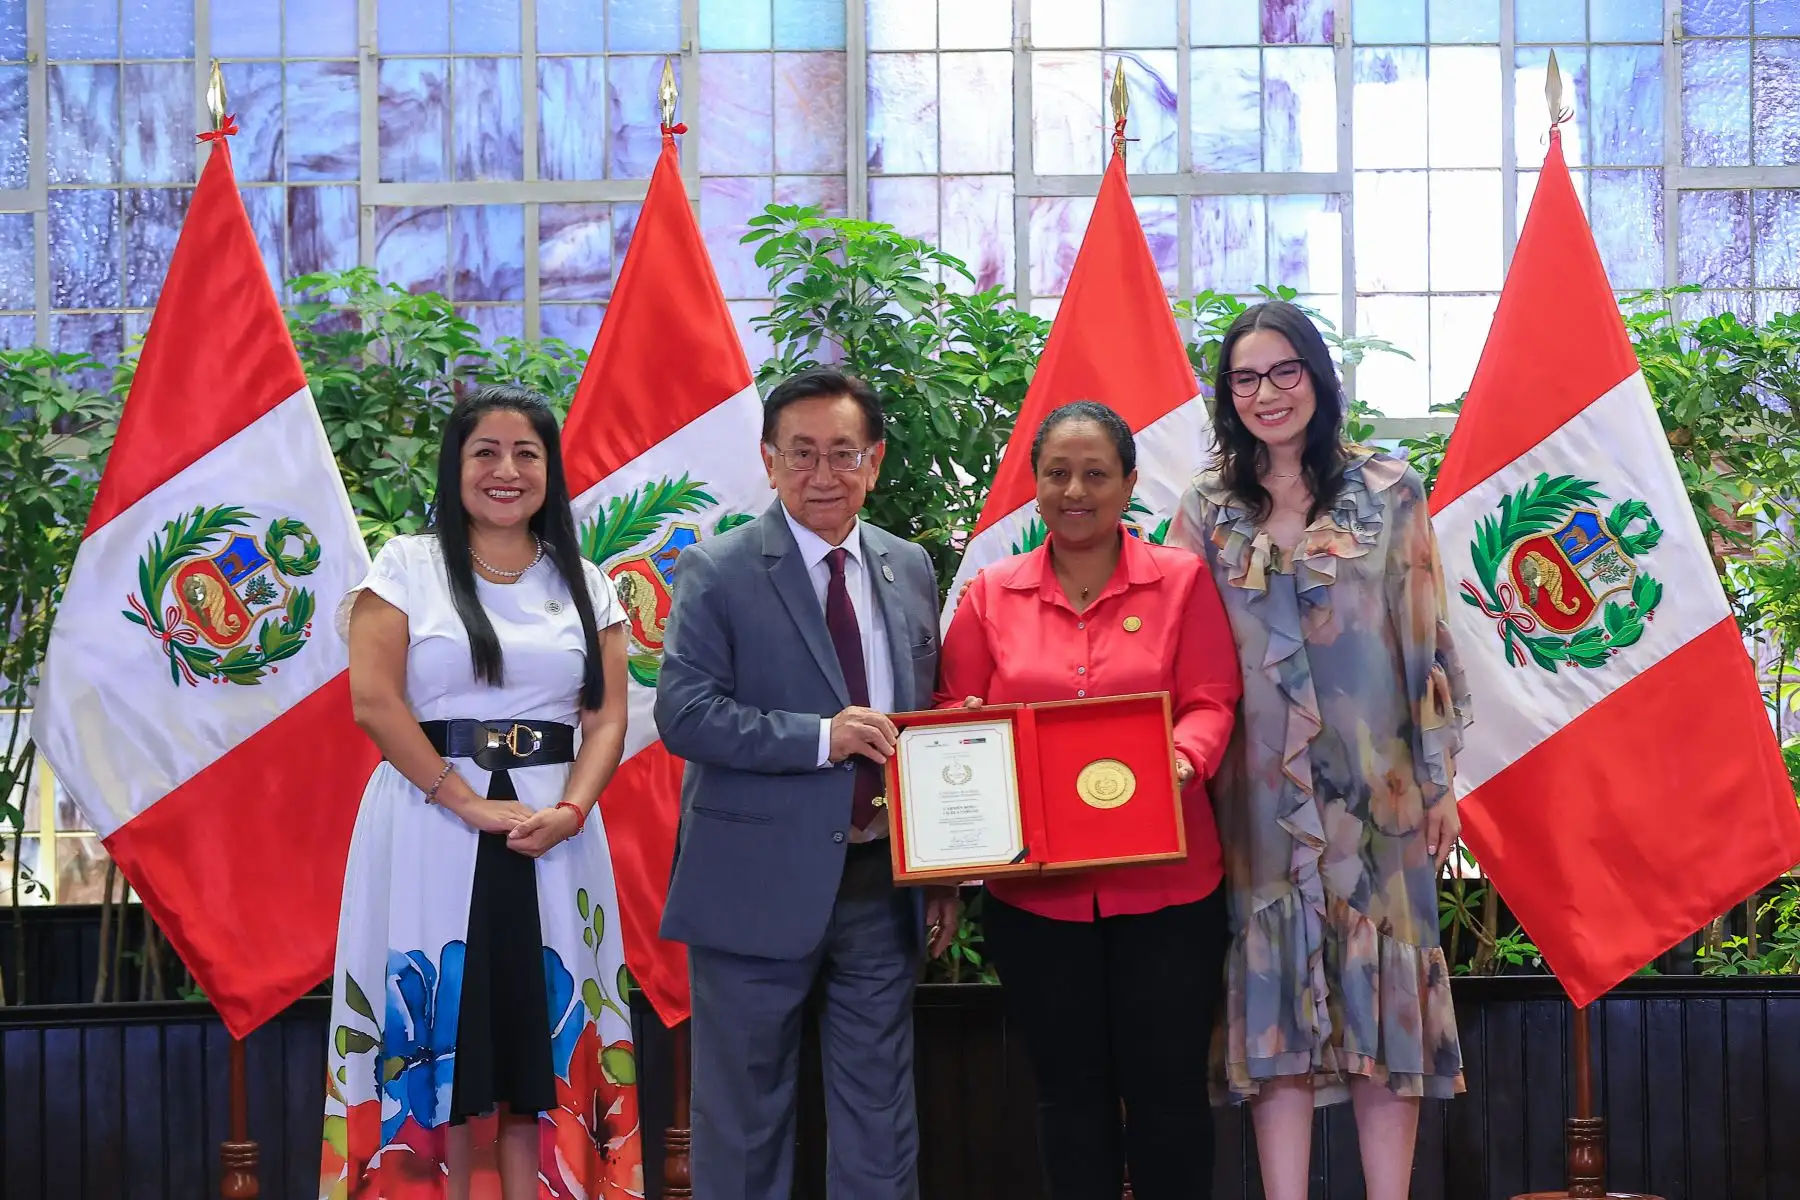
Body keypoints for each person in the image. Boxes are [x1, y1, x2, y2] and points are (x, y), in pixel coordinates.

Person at [1166, 300, 1470, 1200]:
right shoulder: (1206, 508)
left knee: (1384, 1002)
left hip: (1379, 793)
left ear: (1318, 377)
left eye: (1284, 371)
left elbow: (1427, 640)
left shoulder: (1391, 489)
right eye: (1245, 378)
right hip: (1256, 800)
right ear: (1228, 395)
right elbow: (1176, 653)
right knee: (1276, 1011)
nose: (1267, 393)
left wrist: (1439, 781)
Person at [322, 385, 640, 1200]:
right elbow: (374, 700)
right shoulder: (406, 566)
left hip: (554, 831)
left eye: (526, 453)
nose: (507, 470)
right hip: (429, 822)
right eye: (485, 452)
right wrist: (464, 800)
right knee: (439, 1041)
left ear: (550, 470)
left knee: (540, 1040)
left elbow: (607, 718)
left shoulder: (586, 581)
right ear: (454, 466)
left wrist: (571, 810)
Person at [654, 368, 960, 1200]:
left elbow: (924, 718)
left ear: (875, 461)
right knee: (743, 1119)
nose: (823, 474)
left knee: (881, 1118)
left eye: (843, 453)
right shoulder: (716, 570)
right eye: (801, 453)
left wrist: (943, 868)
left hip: (880, 884)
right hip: (752, 886)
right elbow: (686, 715)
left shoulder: (909, 566)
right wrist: (824, 738)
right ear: (769, 460)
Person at [936, 401, 1242, 1200]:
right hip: (1037, 897)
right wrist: (965, 736)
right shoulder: (990, 594)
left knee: (1170, 1095)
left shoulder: (1181, 581)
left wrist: (1184, 759)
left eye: (1096, 474)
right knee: (1068, 1098)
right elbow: (951, 713)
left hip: (1169, 890)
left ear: (1129, 484)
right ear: (1036, 484)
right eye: (1058, 474)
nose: (1075, 491)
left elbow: (1211, 699)